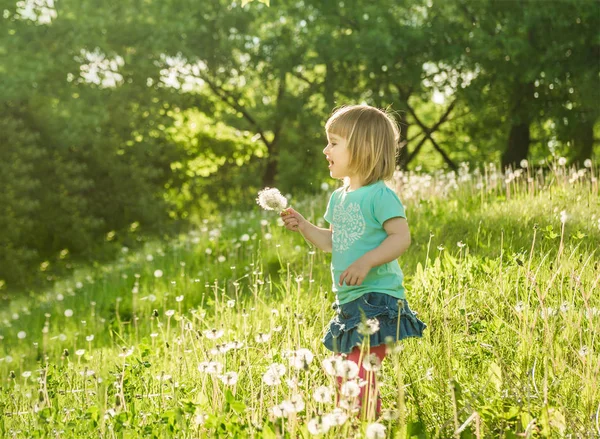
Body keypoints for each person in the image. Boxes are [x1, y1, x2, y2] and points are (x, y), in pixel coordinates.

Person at [280, 104, 426, 419]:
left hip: (377, 299)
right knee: (344, 373)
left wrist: (365, 262)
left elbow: (400, 237)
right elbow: (333, 241)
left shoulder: (379, 195)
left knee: (359, 373)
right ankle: (354, 422)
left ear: (362, 148)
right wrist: (304, 226)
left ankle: (364, 424)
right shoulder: (339, 197)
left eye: (334, 142)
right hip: (347, 302)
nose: (325, 149)